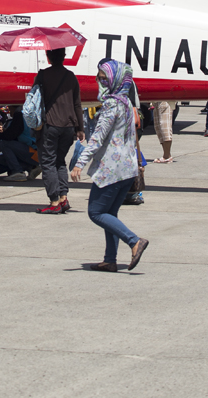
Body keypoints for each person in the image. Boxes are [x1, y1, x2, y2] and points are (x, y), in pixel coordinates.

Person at [70, 59, 150, 273]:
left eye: (103, 78)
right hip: (127, 169)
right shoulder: (126, 103)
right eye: (99, 77)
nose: (99, 81)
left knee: (96, 212)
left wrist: (80, 162)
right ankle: (110, 259)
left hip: (112, 170)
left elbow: (97, 137)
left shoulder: (112, 104)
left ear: (114, 80)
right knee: (110, 214)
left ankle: (134, 241)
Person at [31, 47, 84, 214]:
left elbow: (34, 98)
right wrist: (80, 128)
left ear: (48, 56)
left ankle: (54, 201)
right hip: (69, 126)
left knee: (47, 162)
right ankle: (63, 198)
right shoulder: (71, 76)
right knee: (60, 161)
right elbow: (77, 104)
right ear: (64, 57)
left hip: (50, 124)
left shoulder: (43, 75)